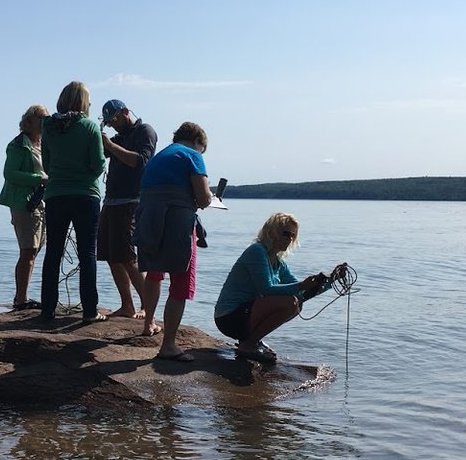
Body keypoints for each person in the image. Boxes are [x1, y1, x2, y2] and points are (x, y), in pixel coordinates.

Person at [213, 212, 349, 363]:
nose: (290, 239)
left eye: (293, 235)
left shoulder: (279, 263)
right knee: (289, 303)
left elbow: (301, 293)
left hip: (246, 314)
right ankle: (248, 345)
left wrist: (332, 280)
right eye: (286, 233)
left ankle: (252, 340)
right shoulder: (256, 251)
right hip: (228, 317)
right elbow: (266, 289)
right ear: (272, 232)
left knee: (297, 303)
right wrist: (301, 285)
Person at [135, 122, 213, 361]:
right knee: (181, 282)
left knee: (155, 272)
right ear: (198, 142)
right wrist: (209, 198)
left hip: (149, 219)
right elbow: (203, 198)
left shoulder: (158, 157)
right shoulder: (192, 156)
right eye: (203, 148)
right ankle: (168, 345)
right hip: (175, 222)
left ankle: (149, 323)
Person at [38, 81, 106, 322]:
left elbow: (46, 164)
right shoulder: (89, 127)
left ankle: (47, 310)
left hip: (56, 195)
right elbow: (98, 164)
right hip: (86, 195)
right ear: (83, 102)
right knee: (87, 253)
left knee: (53, 252)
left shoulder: (48, 127)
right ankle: (89, 311)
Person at [97, 99, 158, 322]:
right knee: (112, 255)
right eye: (108, 123)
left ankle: (147, 307)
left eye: (114, 120)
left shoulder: (145, 131)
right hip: (111, 200)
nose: (112, 126)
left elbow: (142, 161)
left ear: (125, 112)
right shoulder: (119, 137)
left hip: (132, 200)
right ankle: (127, 305)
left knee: (128, 256)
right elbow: (102, 153)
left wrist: (112, 147)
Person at [0, 104, 50, 310]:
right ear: (29, 121)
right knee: (28, 251)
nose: (45, 122)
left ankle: (22, 297)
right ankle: (20, 299)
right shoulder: (19, 145)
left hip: (41, 202)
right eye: (41, 118)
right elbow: (9, 173)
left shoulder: (43, 144)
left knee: (33, 251)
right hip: (24, 203)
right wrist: (39, 179)